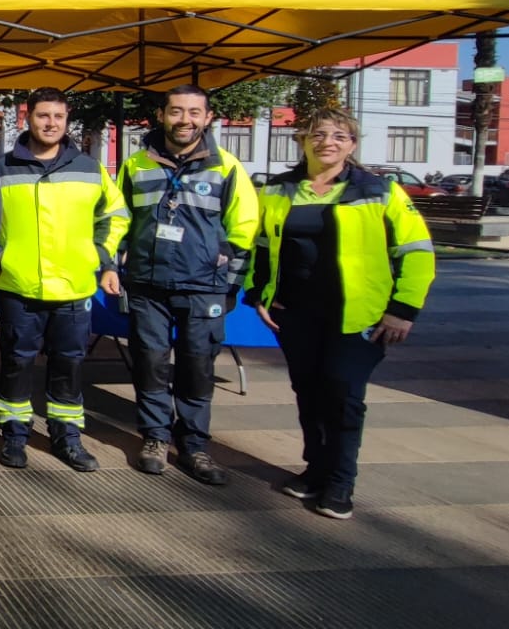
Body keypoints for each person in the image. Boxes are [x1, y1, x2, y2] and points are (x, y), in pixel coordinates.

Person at [248, 108, 435, 520]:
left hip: (359, 317)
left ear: (352, 145)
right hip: (296, 314)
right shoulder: (278, 190)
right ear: (302, 140)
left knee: (343, 396)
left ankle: (340, 483)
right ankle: (315, 469)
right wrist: (258, 293)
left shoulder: (380, 191)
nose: (327, 142)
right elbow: (261, 246)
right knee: (309, 393)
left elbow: (417, 253)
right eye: (318, 134)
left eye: (339, 136)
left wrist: (402, 310)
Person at [113, 84, 259, 485]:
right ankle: (156, 437)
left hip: (203, 287)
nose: (185, 120)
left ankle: (194, 444)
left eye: (194, 112)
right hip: (148, 284)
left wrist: (227, 285)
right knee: (151, 363)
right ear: (161, 115)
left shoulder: (227, 167)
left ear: (208, 118)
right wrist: (118, 259)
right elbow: (118, 219)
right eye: (176, 111)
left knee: (197, 366)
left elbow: (245, 228)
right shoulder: (136, 165)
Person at [0, 87, 129, 472]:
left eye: (57, 117)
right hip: (19, 286)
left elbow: (115, 216)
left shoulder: (89, 168)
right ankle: (15, 434)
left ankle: (66, 436)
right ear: (27, 118)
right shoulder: (1, 169)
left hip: (73, 287)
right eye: (42, 116)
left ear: (66, 121)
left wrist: (103, 260)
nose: (50, 124)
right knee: (17, 362)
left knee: (68, 365)